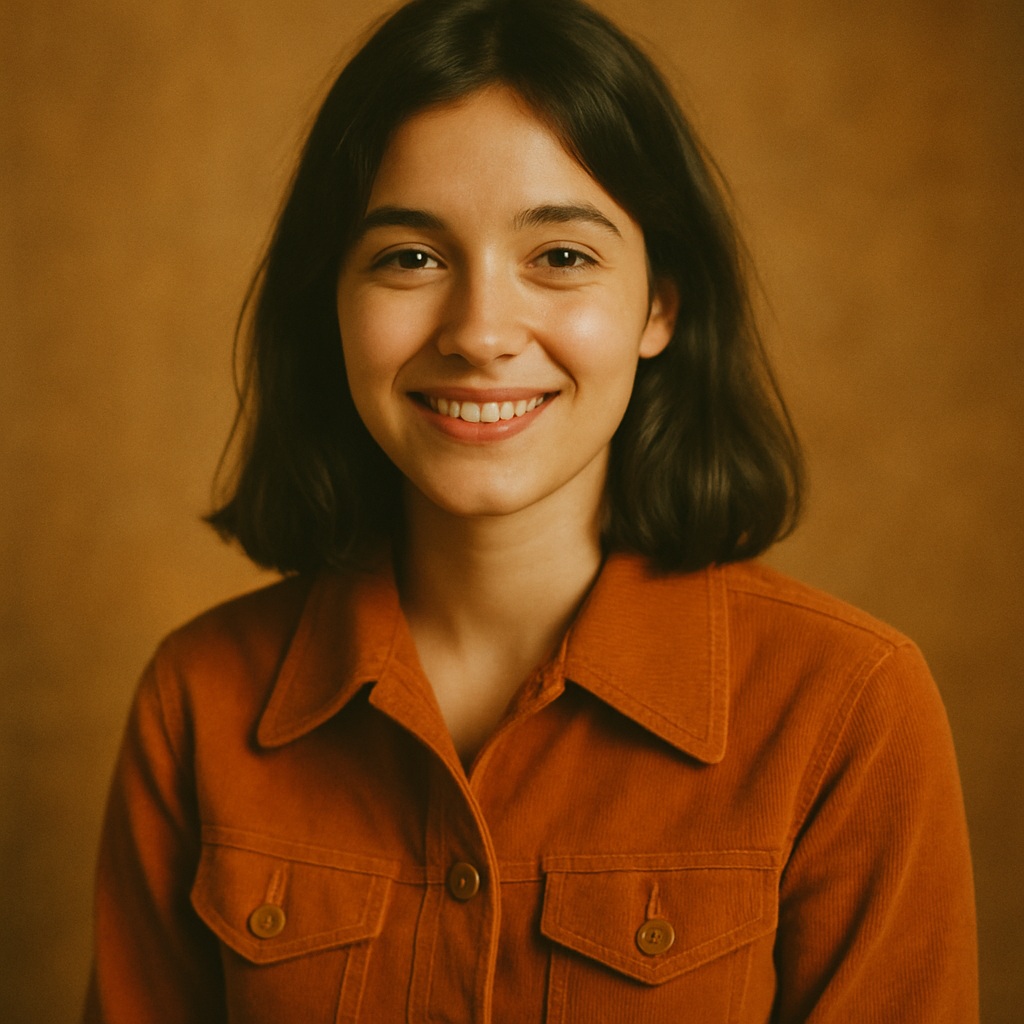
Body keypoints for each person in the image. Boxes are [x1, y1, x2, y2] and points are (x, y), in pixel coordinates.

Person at [83, 1, 978, 1021]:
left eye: (559, 256)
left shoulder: (847, 709)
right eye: (410, 257)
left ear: (660, 305)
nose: (478, 332)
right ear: (328, 299)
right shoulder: (197, 701)